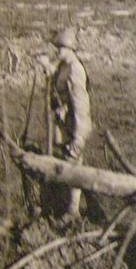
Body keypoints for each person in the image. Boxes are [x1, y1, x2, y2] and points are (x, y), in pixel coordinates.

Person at [45, 26, 93, 218]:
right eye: (57, 47)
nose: (57, 51)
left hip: (74, 125)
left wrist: (79, 138)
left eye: (61, 48)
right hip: (62, 124)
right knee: (62, 163)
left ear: (70, 49)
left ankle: (73, 211)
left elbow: (81, 106)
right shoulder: (63, 66)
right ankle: (62, 208)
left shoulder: (75, 70)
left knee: (73, 166)